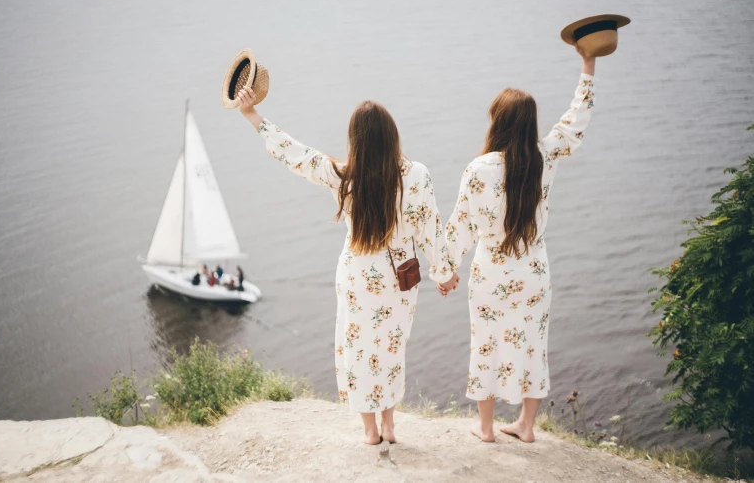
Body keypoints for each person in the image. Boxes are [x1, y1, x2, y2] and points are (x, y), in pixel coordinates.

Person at [235, 87, 459, 445]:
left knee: (359, 350)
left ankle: (370, 429)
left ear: (355, 140)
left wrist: (252, 116)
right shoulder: (417, 175)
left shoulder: (342, 176)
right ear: (392, 135)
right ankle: (389, 424)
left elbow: (296, 154)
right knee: (390, 348)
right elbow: (431, 227)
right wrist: (444, 274)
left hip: (357, 276)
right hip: (397, 280)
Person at [441, 46, 597, 443]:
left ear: (499, 122)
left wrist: (444, 271)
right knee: (532, 345)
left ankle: (487, 428)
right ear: (530, 124)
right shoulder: (546, 156)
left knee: (486, 344)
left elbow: (461, 224)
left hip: (491, 273)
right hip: (533, 271)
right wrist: (588, 65)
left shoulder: (480, 169)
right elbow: (576, 121)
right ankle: (527, 427)